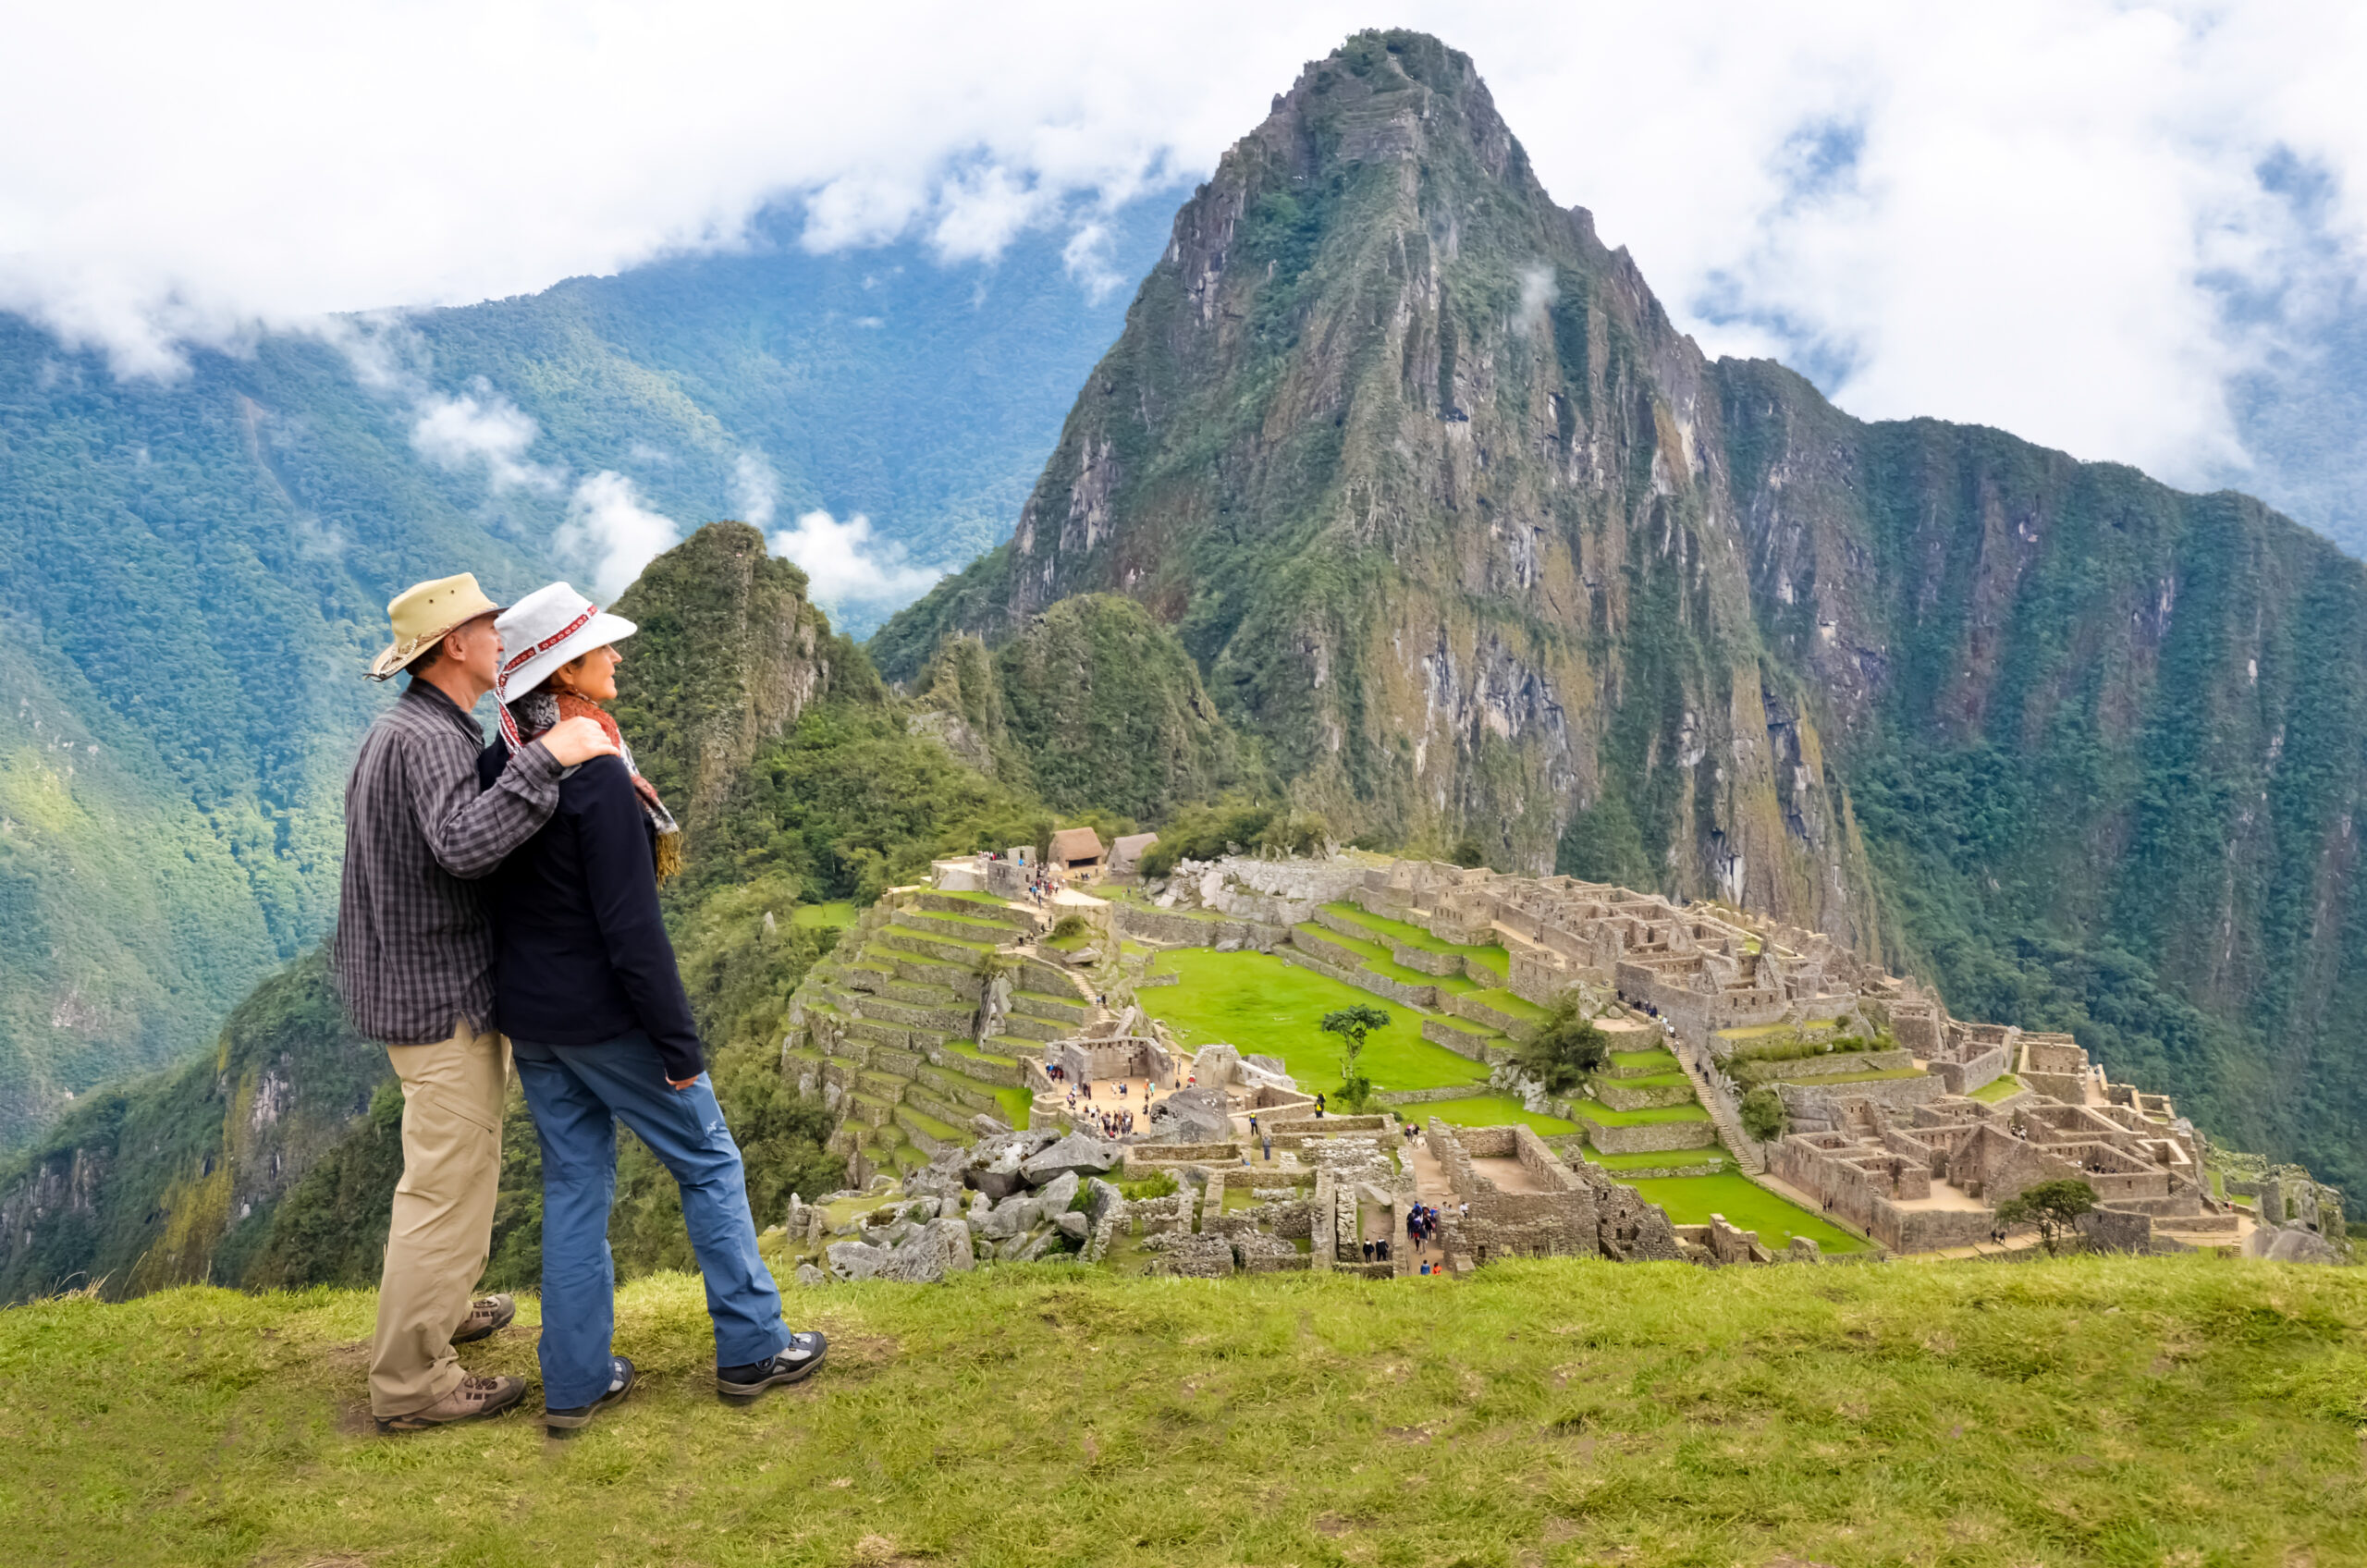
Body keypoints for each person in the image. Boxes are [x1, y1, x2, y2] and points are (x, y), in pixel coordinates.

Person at [476, 583, 825, 1434]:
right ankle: (751, 1346)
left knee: (573, 1190)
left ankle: (575, 1379)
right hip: (610, 1020)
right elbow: (632, 931)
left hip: (536, 1022)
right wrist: (678, 1044)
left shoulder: (502, 763)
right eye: (602, 648)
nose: (617, 656)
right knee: (709, 1161)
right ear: (566, 670)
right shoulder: (595, 778)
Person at [337, 573, 620, 1434]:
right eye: (489, 629)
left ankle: (442, 1306)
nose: (501, 640)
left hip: (411, 983)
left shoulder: (416, 728)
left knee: (458, 1171)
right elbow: (463, 846)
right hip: (438, 996)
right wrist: (549, 758)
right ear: (453, 645)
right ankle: (413, 1384)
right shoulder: (427, 739)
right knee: (446, 1188)